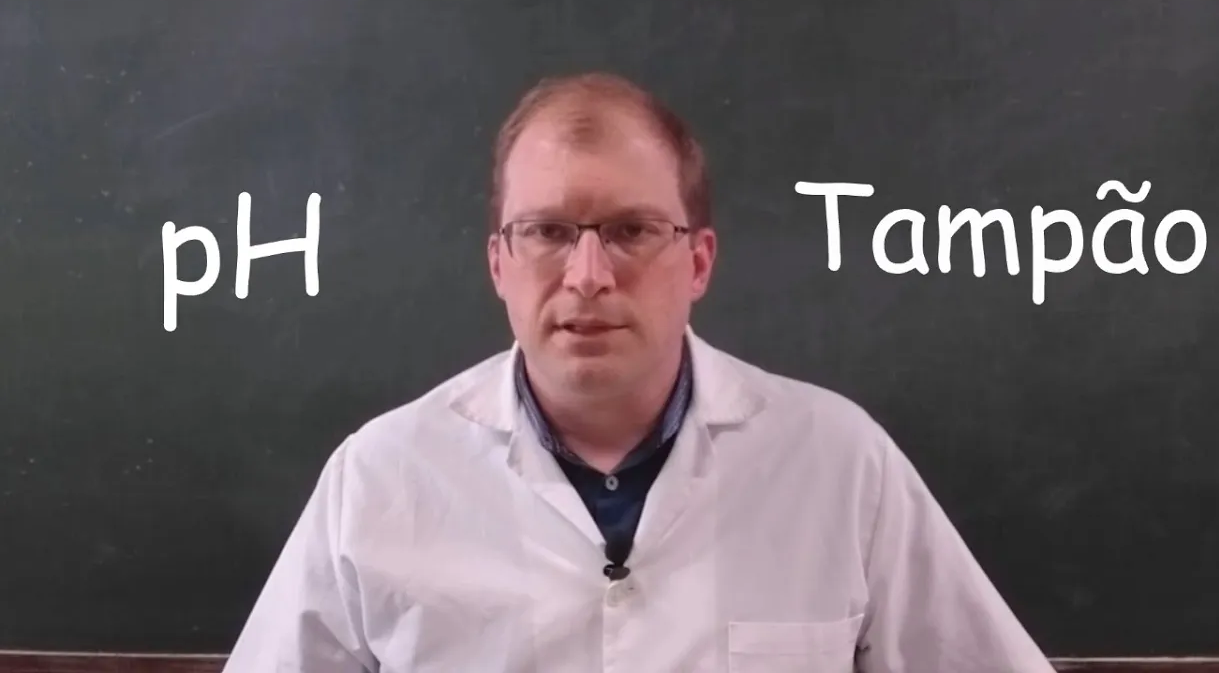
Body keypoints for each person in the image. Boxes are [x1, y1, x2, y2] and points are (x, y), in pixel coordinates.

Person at [222, 71, 1057, 672]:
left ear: (699, 262)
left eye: (631, 231)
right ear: (499, 263)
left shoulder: (838, 463)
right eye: (548, 232)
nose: (588, 275)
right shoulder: (381, 479)